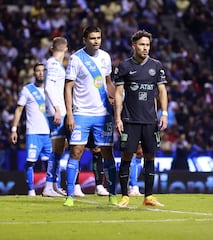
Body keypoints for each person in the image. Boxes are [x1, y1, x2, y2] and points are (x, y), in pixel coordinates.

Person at [114, 29, 168, 207]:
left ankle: (149, 197)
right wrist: (118, 118)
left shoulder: (156, 66)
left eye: (147, 45)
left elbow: (161, 91)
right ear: (134, 46)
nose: (145, 48)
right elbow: (119, 93)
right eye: (142, 44)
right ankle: (125, 196)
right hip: (130, 120)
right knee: (127, 157)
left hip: (150, 120)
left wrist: (164, 114)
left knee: (150, 157)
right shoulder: (124, 66)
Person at [63, 26, 117, 207]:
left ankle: (112, 193)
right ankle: (70, 194)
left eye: (99, 38)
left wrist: (116, 100)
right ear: (84, 39)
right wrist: (70, 113)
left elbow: (108, 82)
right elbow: (68, 87)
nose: (96, 41)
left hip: (103, 114)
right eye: (92, 38)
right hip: (81, 113)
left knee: (107, 153)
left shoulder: (105, 57)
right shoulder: (76, 59)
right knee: (76, 151)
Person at [9, 63, 52, 196]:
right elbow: (19, 109)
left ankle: (50, 188)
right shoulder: (27, 90)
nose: (40, 73)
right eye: (38, 71)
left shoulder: (52, 90)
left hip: (50, 134)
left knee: (52, 162)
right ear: (34, 73)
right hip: (33, 132)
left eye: (42, 71)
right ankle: (31, 190)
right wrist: (14, 129)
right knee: (30, 162)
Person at [43, 36, 68, 197]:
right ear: (65, 49)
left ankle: (53, 184)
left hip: (58, 110)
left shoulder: (57, 64)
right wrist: (57, 109)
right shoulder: (52, 64)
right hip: (56, 111)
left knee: (59, 148)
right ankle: (48, 186)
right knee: (56, 148)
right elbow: (48, 87)